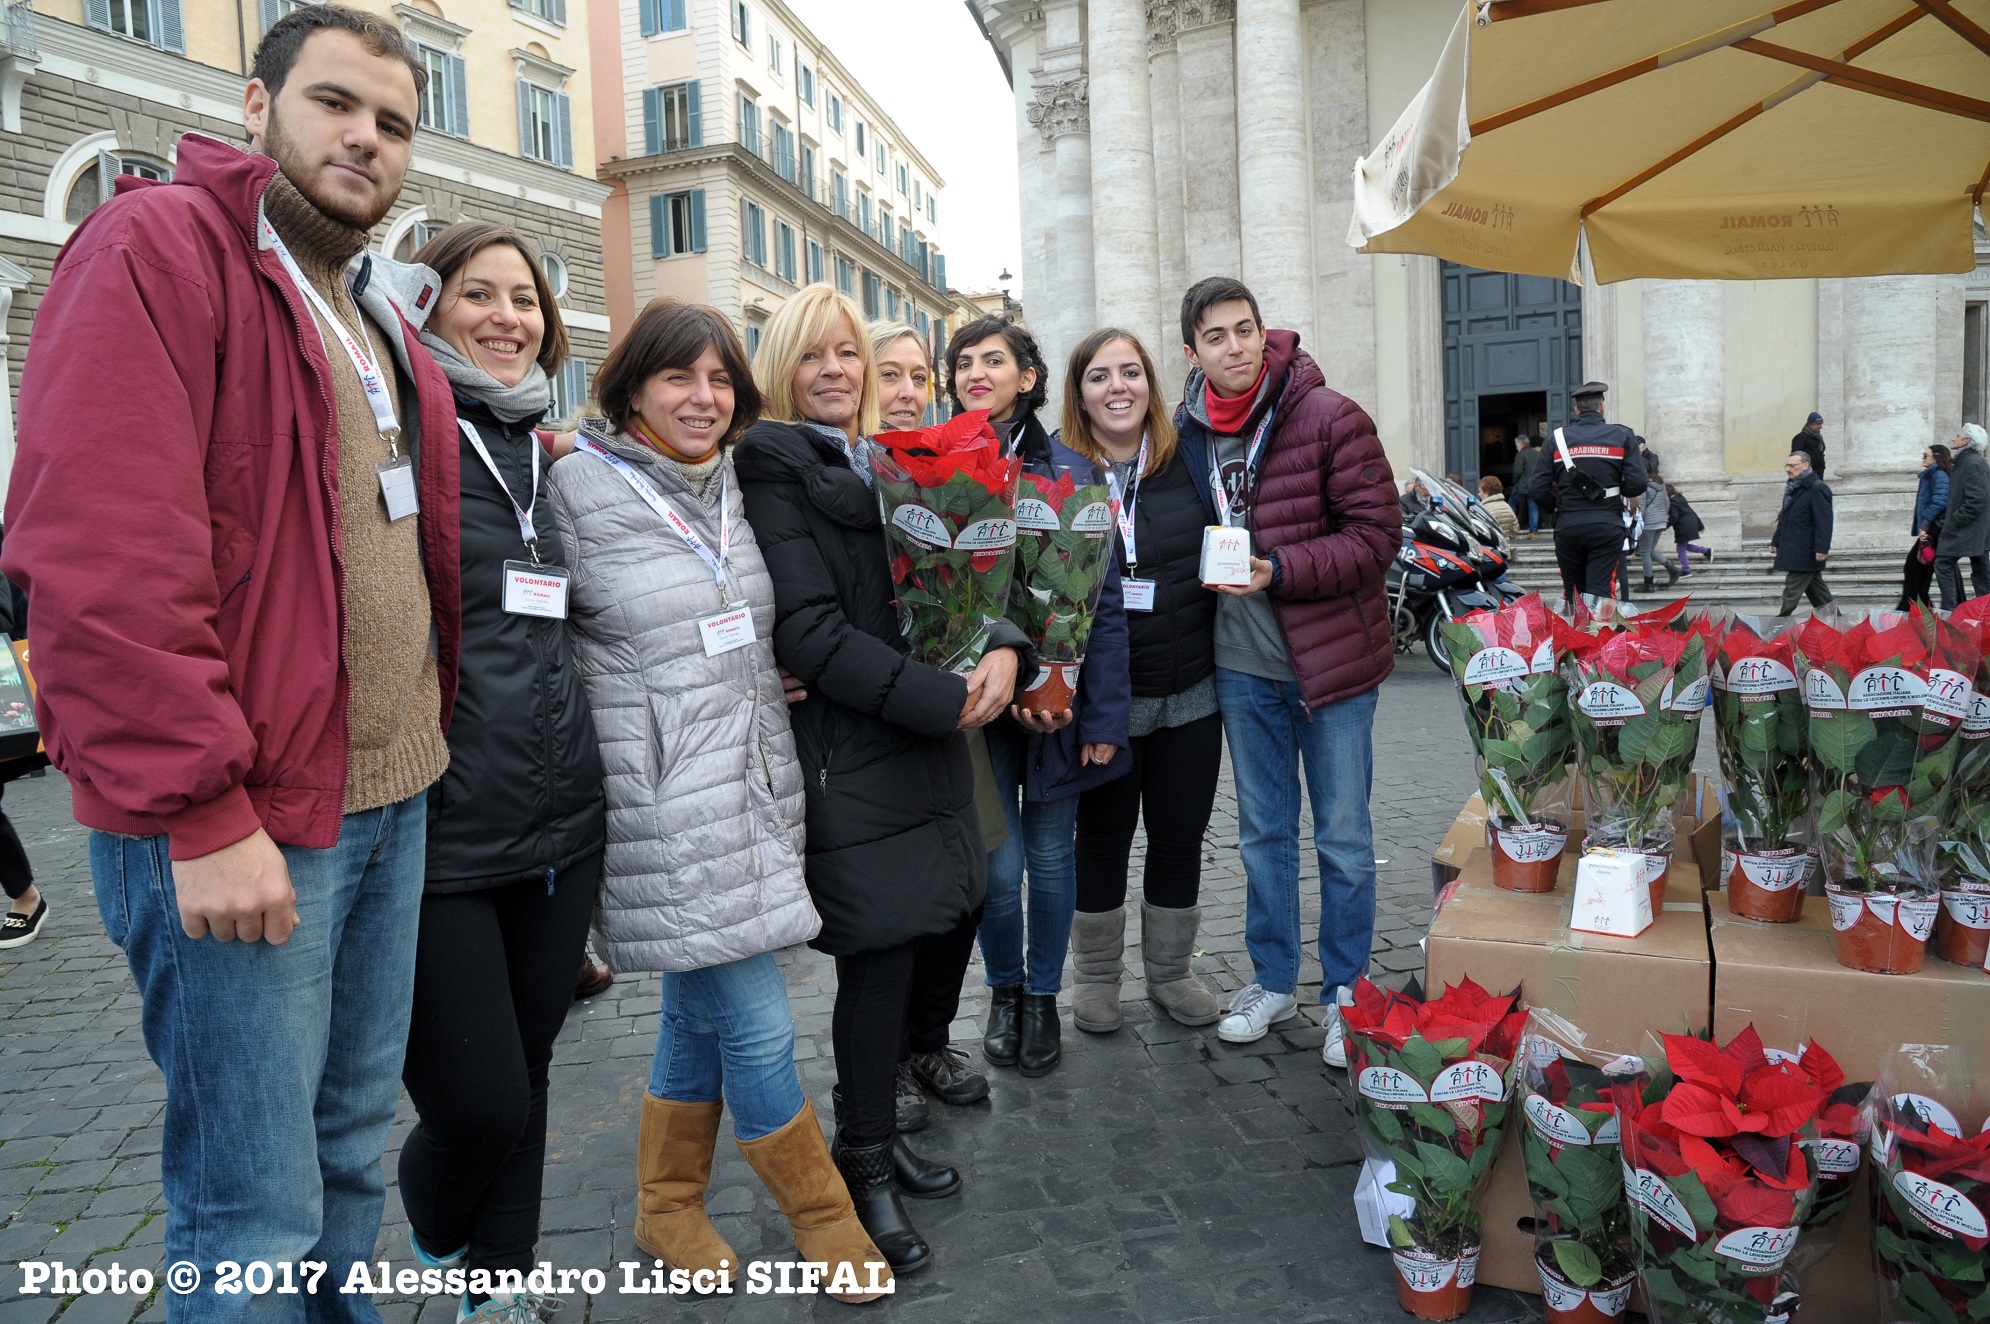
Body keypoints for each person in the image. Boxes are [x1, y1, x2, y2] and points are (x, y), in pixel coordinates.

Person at [2, 6, 463, 1312]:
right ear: (253, 109)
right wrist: (200, 808)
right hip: (245, 815)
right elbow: (99, 551)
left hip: (385, 797)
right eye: (333, 103)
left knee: (346, 1156)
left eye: (392, 124)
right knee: (249, 1203)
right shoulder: (158, 243)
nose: (364, 139)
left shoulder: (367, 302)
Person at [548, 298, 888, 1304]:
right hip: (660, 794)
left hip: (753, 775)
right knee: (753, 1014)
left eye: (719, 381)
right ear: (630, 389)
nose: (702, 399)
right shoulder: (574, 485)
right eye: (677, 379)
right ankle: (822, 1216)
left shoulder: (735, 483)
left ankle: (666, 1203)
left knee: (697, 1004)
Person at [733, 284, 1032, 1273]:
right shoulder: (771, 463)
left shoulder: (874, 459)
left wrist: (1003, 647)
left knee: (909, 948)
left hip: (918, 739)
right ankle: (858, 1159)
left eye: (848, 355)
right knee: (873, 962)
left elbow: (959, 581)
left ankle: (877, 1133)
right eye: (814, 354)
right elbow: (809, 633)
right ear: (782, 364)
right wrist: (937, 700)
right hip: (859, 749)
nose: (836, 371)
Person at [368, 222, 601, 1318]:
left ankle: (500, 1296)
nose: (509, 317)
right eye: (479, 293)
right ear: (427, 304)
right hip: (444, 827)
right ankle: (435, 1229)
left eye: (525, 299)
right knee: (479, 1104)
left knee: (534, 1074)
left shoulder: (543, 447)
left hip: (563, 823)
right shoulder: (401, 430)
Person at [1171, 277, 1398, 1066]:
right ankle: (1273, 978)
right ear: (1192, 351)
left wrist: (1279, 569)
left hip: (1330, 665)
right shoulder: (1187, 433)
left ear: (1265, 334)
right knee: (1263, 834)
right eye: (1215, 336)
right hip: (1240, 667)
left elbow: (1377, 538)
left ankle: (1346, 993)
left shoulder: (1331, 417)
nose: (1234, 348)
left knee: (1342, 836)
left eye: (1245, 331)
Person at [950, 316, 1132, 1077]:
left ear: (1027, 378)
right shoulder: (934, 469)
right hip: (972, 702)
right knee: (999, 865)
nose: (974, 373)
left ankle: (1045, 997)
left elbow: (1106, 602)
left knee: (1053, 856)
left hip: (1057, 696)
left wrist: (1102, 713)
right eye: (962, 364)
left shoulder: (1078, 473)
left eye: (994, 360)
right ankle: (1004, 991)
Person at [1063, 328, 1224, 1034]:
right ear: (1081, 393)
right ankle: (1097, 978)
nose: (1118, 387)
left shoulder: (1187, 460)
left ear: (1150, 387)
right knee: (1100, 841)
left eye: (1131, 373)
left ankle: (1170, 973)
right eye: (1100, 376)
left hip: (1190, 689)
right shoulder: (1059, 474)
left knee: (1179, 835)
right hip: (1106, 705)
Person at [871, 321, 996, 1124]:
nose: (910, 391)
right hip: (879, 712)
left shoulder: (961, 471)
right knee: (895, 901)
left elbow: (996, 578)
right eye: (891, 374)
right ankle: (882, 1064)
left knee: (968, 879)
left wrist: (1008, 644)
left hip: (958, 709)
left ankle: (930, 1037)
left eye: (921, 376)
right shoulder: (848, 471)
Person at [1530, 381, 1648, 606]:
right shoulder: (1622, 435)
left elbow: (1537, 488)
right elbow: (1638, 483)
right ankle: (1599, 638)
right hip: (1606, 524)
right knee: (1601, 593)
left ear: (1577, 410)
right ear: (1602, 408)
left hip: (1568, 525)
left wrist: (1557, 507)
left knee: (1572, 596)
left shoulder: (1556, 439)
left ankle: (1574, 639)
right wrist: (1615, 492)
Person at [1770, 450, 1834, 615]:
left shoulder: (1817, 488)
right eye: (1787, 465)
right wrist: (1776, 540)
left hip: (1805, 549)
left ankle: (1780, 622)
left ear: (1806, 466)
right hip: (1795, 546)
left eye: (1793, 465)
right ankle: (1837, 620)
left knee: (1792, 589)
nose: (1788, 469)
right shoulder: (1795, 487)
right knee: (1818, 592)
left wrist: (1822, 548)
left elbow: (1824, 521)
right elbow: (1785, 516)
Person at [1937, 424, 1990, 610]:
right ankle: (1981, 612)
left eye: (1958, 436)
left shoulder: (1974, 463)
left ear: (1966, 441)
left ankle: (1951, 611)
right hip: (1972, 529)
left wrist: (1955, 519)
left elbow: (1977, 499)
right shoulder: (1965, 462)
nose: (1954, 438)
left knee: (1943, 563)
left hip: (1968, 529)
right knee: (1982, 572)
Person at [1901, 445, 1950, 610]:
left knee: (1914, 567)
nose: (1922, 458)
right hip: (1931, 530)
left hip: (1934, 530)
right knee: (1919, 569)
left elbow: (1940, 502)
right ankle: (1919, 606)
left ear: (1936, 457)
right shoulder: (1931, 475)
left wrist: (1925, 525)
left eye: (1925, 455)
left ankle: (1913, 607)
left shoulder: (1939, 475)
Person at [1634, 466, 1674, 592]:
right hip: (1661, 521)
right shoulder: (1660, 483)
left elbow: (1641, 506)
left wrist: (1637, 521)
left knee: (1644, 552)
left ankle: (1649, 584)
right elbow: (1667, 502)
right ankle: (1672, 568)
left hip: (1649, 522)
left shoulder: (1643, 484)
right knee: (1649, 550)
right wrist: (1663, 516)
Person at [1669, 486, 1712, 577]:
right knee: (1683, 546)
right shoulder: (1680, 498)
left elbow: (1674, 517)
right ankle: (1706, 551)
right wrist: (1700, 525)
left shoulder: (1672, 502)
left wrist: (1664, 526)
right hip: (1690, 523)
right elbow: (1691, 511)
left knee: (1680, 549)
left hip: (1683, 526)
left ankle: (1686, 570)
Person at [1510, 435, 1541, 537]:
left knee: (1511, 505)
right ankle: (1533, 531)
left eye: (1516, 444)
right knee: (1533, 507)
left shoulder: (1521, 455)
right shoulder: (1537, 454)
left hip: (1521, 486)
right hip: (1535, 485)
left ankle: (1510, 528)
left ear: (1521, 444)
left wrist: (1514, 481)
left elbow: (1517, 471)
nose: (1516, 447)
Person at [1478, 475, 1520, 547]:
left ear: (1486, 492)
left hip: (1490, 550)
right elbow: (1514, 531)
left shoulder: (1484, 509)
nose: (1479, 494)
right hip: (1506, 549)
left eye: (1480, 491)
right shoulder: (1507, 507)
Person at [1790, 411, 1827, 479]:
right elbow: (1795, 456)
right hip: (1807, 473)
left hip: (1819, 471)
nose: (1820, 426)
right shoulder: (1800, 438)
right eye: (1817, 424)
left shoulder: (1818, 437)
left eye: (1821, 424)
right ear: (1810, 424)